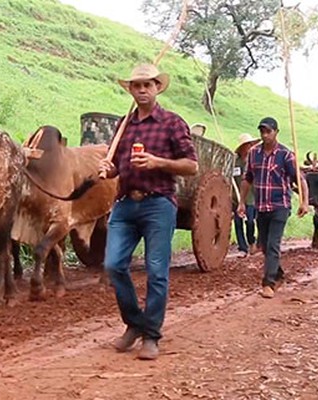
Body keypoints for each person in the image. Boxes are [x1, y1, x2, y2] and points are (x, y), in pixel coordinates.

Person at [99, 63, 198, 360]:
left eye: (148, 85)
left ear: (157, 88)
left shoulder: (172, 122)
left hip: (159, 203)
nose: (142, 90)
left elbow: (191, 166)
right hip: (126, 203)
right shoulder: (124, 125)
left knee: (157, 271)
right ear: (130, 89)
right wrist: (109, 169)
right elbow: (117, 165)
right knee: (113, 265)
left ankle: (150, 336)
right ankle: (135, 323)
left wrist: (158, 162)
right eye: (137, 85)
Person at [237, 117, 309, 299]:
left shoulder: (285, 155)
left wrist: (305, 201)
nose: (265, 135)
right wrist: (241, 202)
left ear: (276, 132)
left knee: (273, 244)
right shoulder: (254, 153)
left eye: (268, 131)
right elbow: (248, 178)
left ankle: (268, 283)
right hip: (261, 206)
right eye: (262, 131)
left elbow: (299, 180)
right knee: (264, 244)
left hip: (280, 206)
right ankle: (278, 274)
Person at [233, 133, 260, 257]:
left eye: (250, 144)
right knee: (238, 222)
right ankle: (242, 248)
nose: (249, 147)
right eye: (246, 145)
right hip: (237, 197)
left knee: (250, 221)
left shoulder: (254, 161)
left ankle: (251, 242)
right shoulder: (235, 162)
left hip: (251, 197)